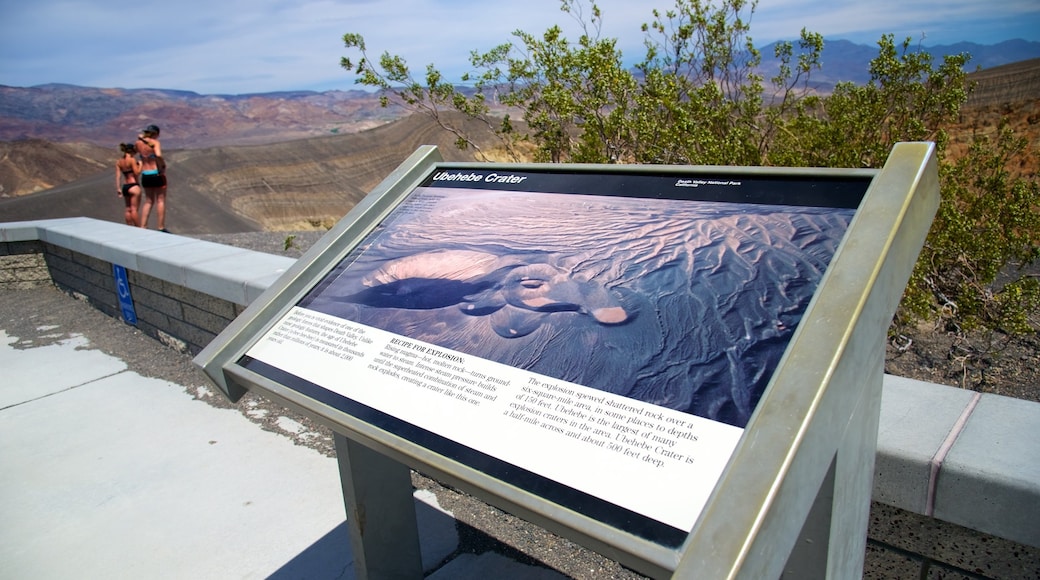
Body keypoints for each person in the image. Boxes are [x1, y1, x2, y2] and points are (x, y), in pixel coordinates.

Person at [135, 124, 168, 231]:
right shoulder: (155, 143)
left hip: (145, 174)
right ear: (156, 134)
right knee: (160, 200)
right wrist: (162, 165)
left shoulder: (138, 143)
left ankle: (143, 226)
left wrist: (141, 139)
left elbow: (136, 151)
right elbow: (158, 155)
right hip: (156, 173)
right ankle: (160, 227)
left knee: (148, 201)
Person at [115, 143, 142, 226]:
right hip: (133, 185)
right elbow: (137, 173)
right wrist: (141, 165)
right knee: (134, 209)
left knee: (128, 209)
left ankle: (129, 227)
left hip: (125, 186)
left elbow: (118, 176)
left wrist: (118, 188)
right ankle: (139, 227)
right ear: (132, 151)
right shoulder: (132, 160)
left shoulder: (119, 162)